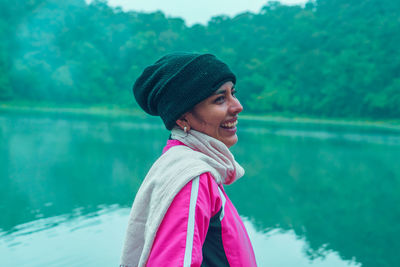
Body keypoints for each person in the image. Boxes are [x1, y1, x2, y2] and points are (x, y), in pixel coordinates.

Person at [120, 52, 257, 267]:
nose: (237, 106)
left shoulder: (196, 167)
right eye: (220, 99)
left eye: (233, 93)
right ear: (183, 117)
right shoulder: (192, 178)